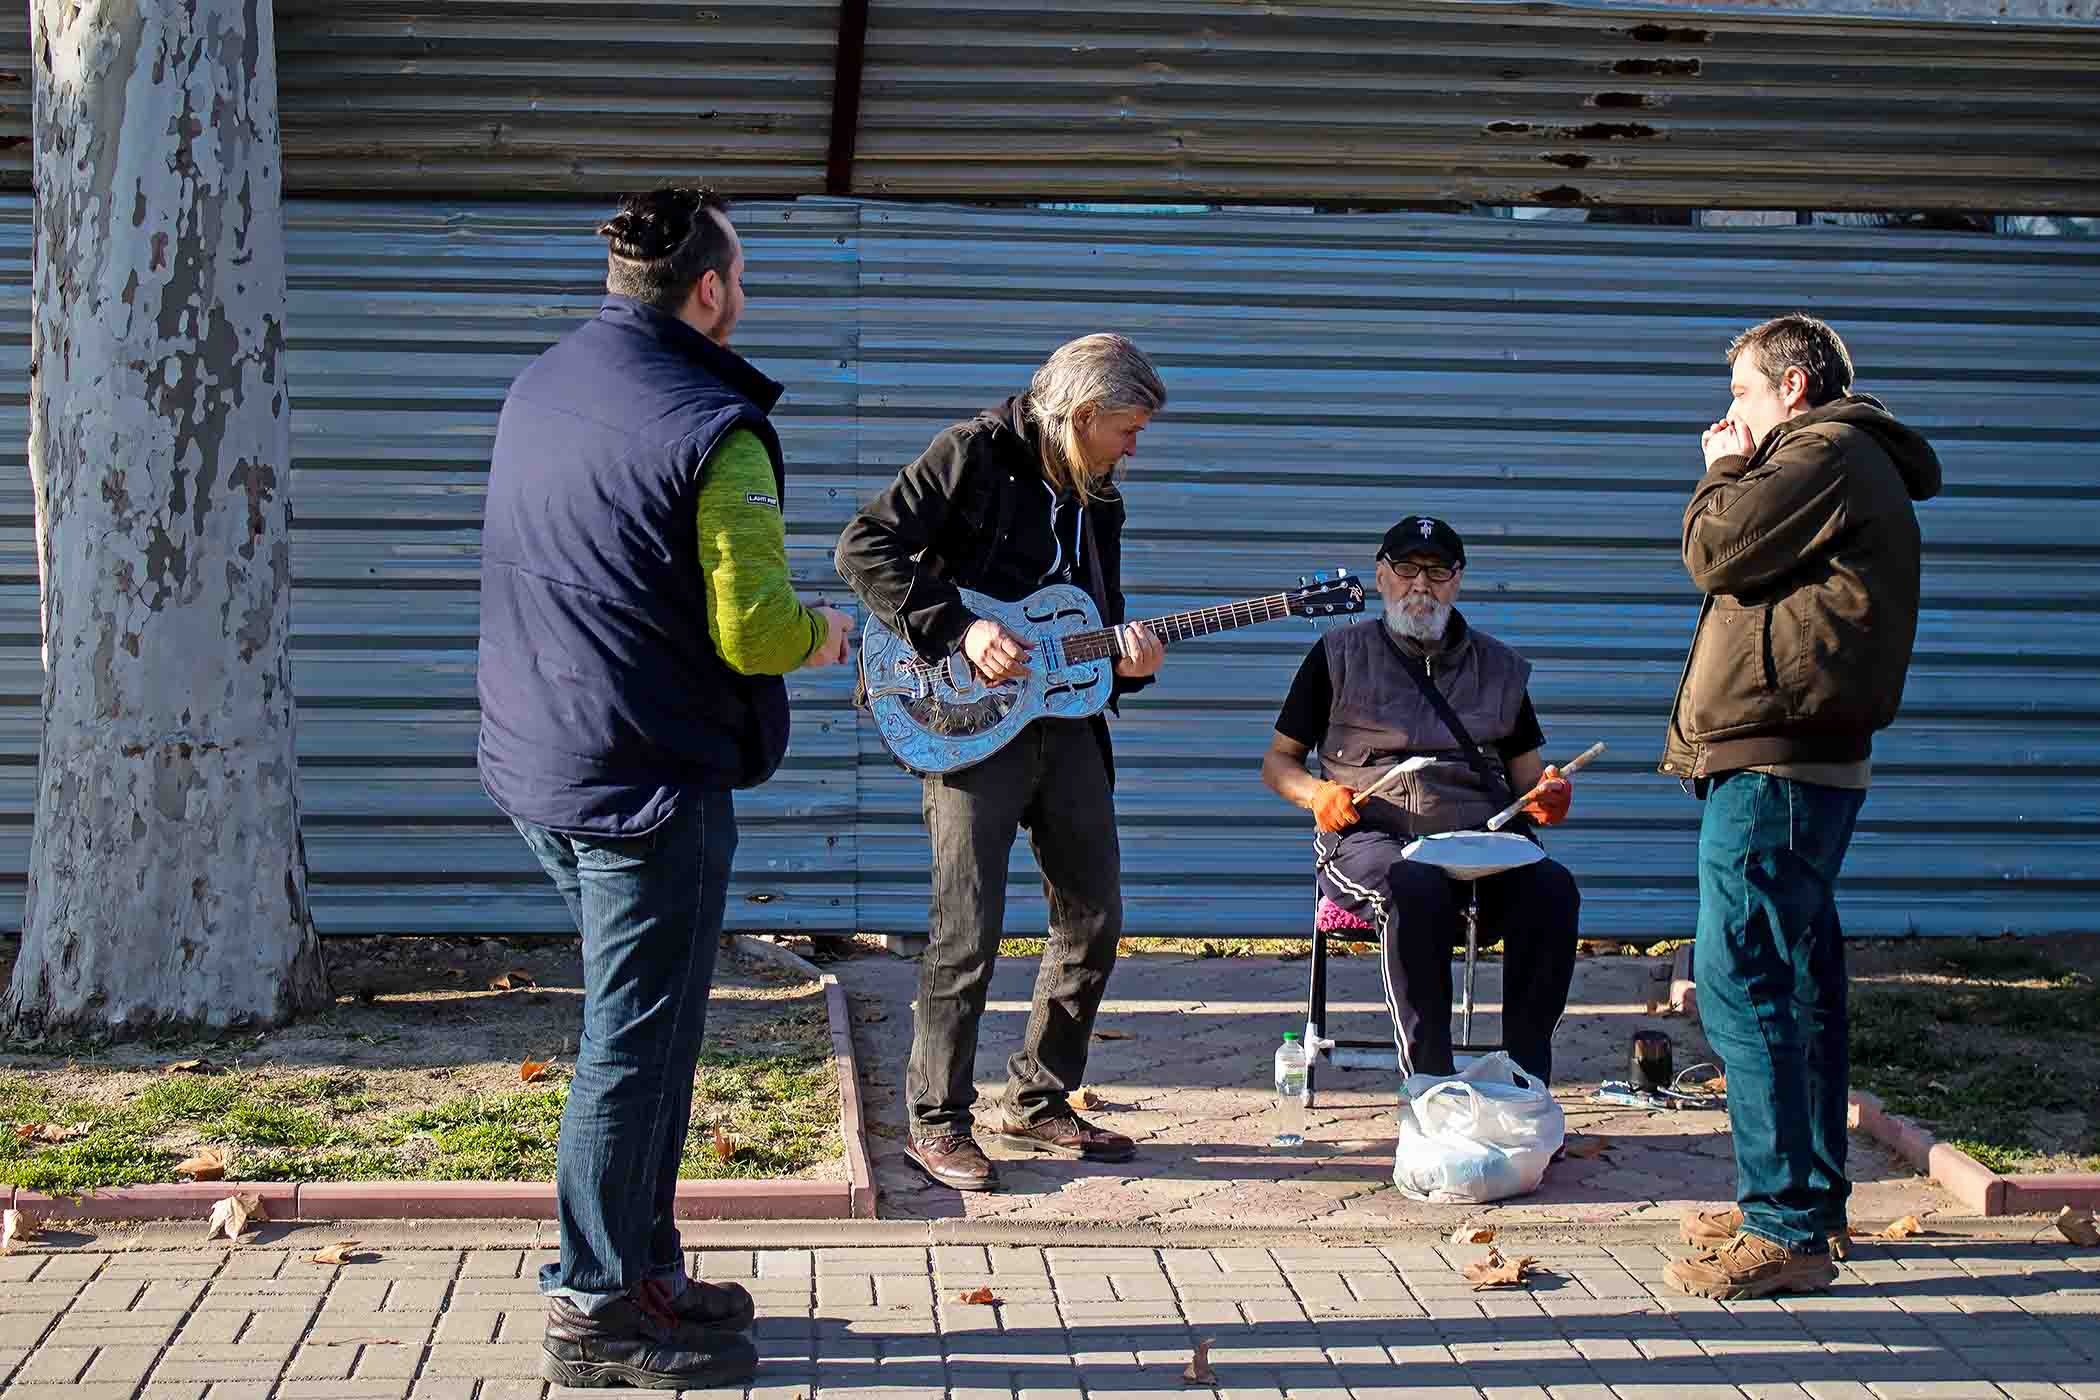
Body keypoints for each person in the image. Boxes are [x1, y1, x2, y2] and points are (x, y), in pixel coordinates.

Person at [477, 186, 852, 1388]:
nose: (746, 294)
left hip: (540, 763)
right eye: (743, 274)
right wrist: (824, 633)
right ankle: (593, 1307)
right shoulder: (715, 429)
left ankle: (644, 1262)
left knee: (652, 1028)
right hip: (650, 786)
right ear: (708, 290)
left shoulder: (544, 382)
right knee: (633, 1046)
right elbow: (751, 628)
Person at [834, 334, 1169, 1192]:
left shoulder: (1099, 497)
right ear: (1085, 414)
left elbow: (1091, 616)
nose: (1135, 447)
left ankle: (1039, 1097)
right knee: (967, 927)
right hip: (959, 716)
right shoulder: (975, 452)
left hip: (1067, 726)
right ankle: (937, 1124)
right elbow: (863, 547)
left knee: (1094, 916)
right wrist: (961, 628)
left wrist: (1125, 659)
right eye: (1127, 429)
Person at [1662, 314, 1940, 1301]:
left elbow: (1716, 549)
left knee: (1743, 973)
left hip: (1779, 762)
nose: (1726, 414)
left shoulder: (1818, 449)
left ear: (1791, 386)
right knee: (1799, 980)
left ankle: (1783, 1223)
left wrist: (1719, 470)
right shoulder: (1843, 457)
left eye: (1740, 392)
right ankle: (1809, 1202)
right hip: (1799, 755)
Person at [1260, 516, 1580, 1083]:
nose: (1420, 585)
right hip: (1374, 840)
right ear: (1381, 576)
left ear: (1458, 580)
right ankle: (1430, 1086)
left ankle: (1526, 1082)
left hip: (1484, 842)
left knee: (1552, 890)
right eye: (1405, 569)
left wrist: (1546, 798)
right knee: (1417, 886)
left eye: (1436, 572)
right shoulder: (1336, 655)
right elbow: (1278, 763)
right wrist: (1318, 795)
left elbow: (1531, 783)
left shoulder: (1500, 668)